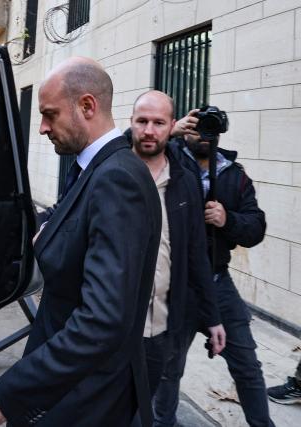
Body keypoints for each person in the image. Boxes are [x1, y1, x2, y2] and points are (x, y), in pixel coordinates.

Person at [0, 57, 162, 427]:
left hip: (84, 398)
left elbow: (102, 320)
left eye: (49, 114)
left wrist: (11, 390)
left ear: (87, 106)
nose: (42, 127)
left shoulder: (116, 179)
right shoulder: (94, 170)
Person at [153, 109, 272, 427]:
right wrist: (171, 131)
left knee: (247, 364)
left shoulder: (234, 174)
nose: (200, 134)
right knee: (168, 368)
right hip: (176, 283)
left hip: (219, 282)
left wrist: (227, 219)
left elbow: (256, 226)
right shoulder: (168, 160)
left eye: (208, 128)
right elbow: (126, 146)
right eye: (194, 127)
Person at [128, 91, 226, 401]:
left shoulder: (184, 181)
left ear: (171, 126)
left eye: (159, 122)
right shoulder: (111, 170)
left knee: (150, 407)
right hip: (112, 326)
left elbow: (197, 252)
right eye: (141, 121)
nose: (148, 130)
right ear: (130, 123)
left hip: (162, 328)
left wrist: (212, 317)